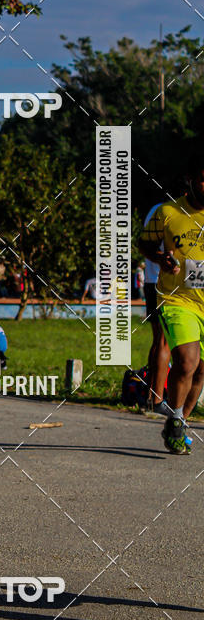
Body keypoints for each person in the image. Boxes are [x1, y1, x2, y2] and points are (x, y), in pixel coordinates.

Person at [139, 153, 204, 454]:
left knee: (202, 370)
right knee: (187, 361)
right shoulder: (166, 211)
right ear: (191, 182)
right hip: (178, 299)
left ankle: (178, 422)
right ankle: (175, 418)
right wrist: (159, 258)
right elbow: (145, 243)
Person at [142, 203, 171, 412]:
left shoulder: (155, 210)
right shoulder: (171, 213)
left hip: (150, 282)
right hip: (165, 283)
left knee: (158, 341)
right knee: (164, 342)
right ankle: (157, 399)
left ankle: (151, 394)